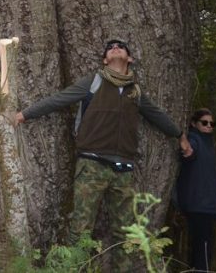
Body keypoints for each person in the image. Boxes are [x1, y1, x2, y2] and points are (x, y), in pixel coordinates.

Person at [13, 38, 192, 271]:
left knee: (126, 232)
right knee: (80, 228)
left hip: (123, 170)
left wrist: (180, 135)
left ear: (130, 58)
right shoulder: (94, 82)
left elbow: (156, 115)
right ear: (105, 59)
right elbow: (60, 99)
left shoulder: (134, 91)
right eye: (110, 48)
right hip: (92, 165)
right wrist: (23, 115)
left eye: (121, 47)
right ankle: (72, 269)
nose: (115, 48)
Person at [175, 108, 216, 272]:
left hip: (207, 203)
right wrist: (185, 146)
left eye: (212, 123)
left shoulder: (209, 145)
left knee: (203, 243)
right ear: (194, 124)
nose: (209, 126)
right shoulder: (195, 139)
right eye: (204, 122)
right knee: (203, 244)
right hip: (197, 202)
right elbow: (189, 151)